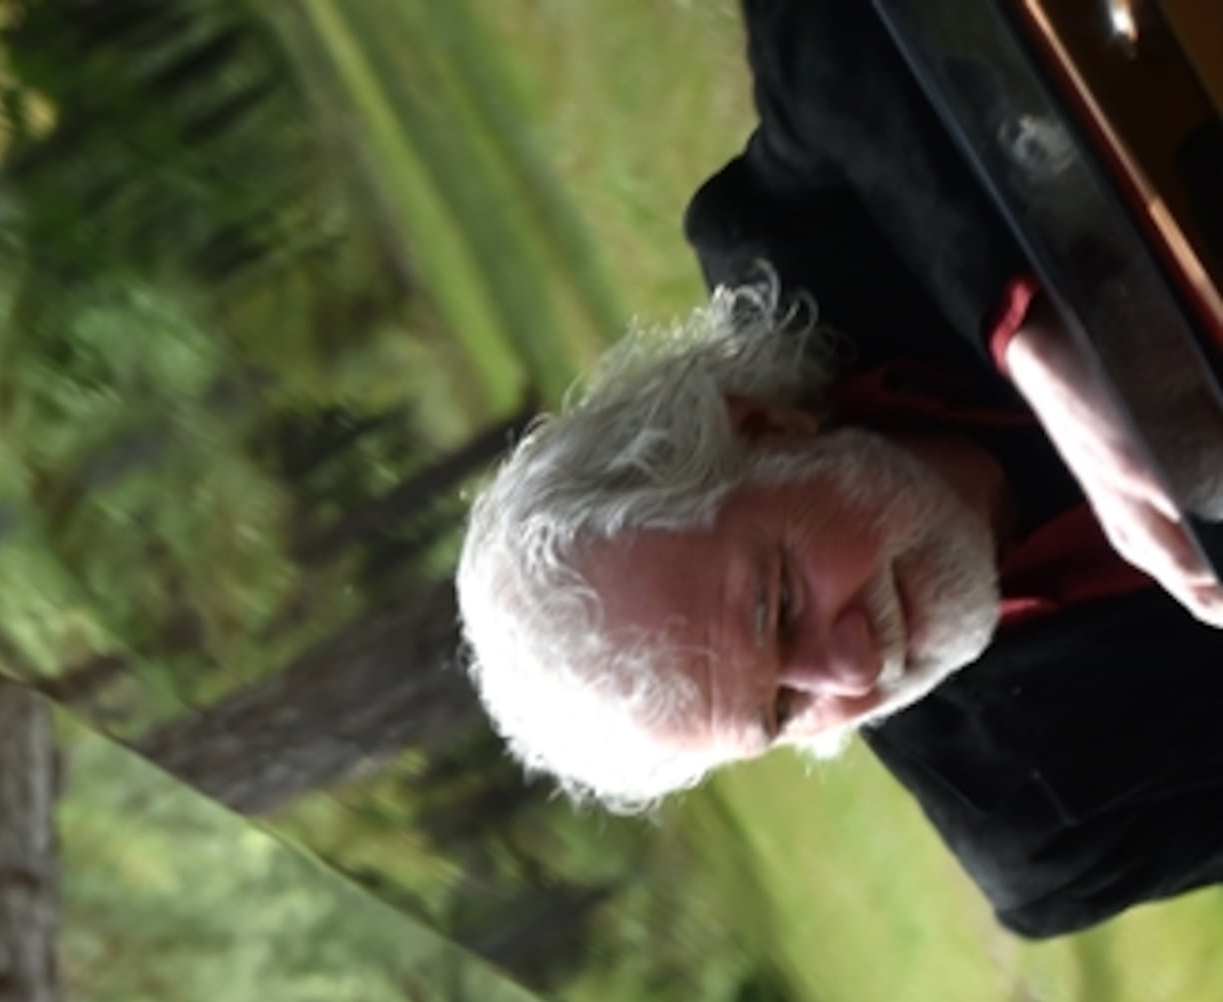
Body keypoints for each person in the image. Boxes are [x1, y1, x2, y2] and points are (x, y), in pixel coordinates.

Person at [457, 0, 1223, 940]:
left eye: (779, 603)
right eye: (782, 708)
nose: (854, 670)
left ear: (761, 428)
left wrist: (1035, 339)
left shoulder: (801, 233)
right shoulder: (1049, 838)